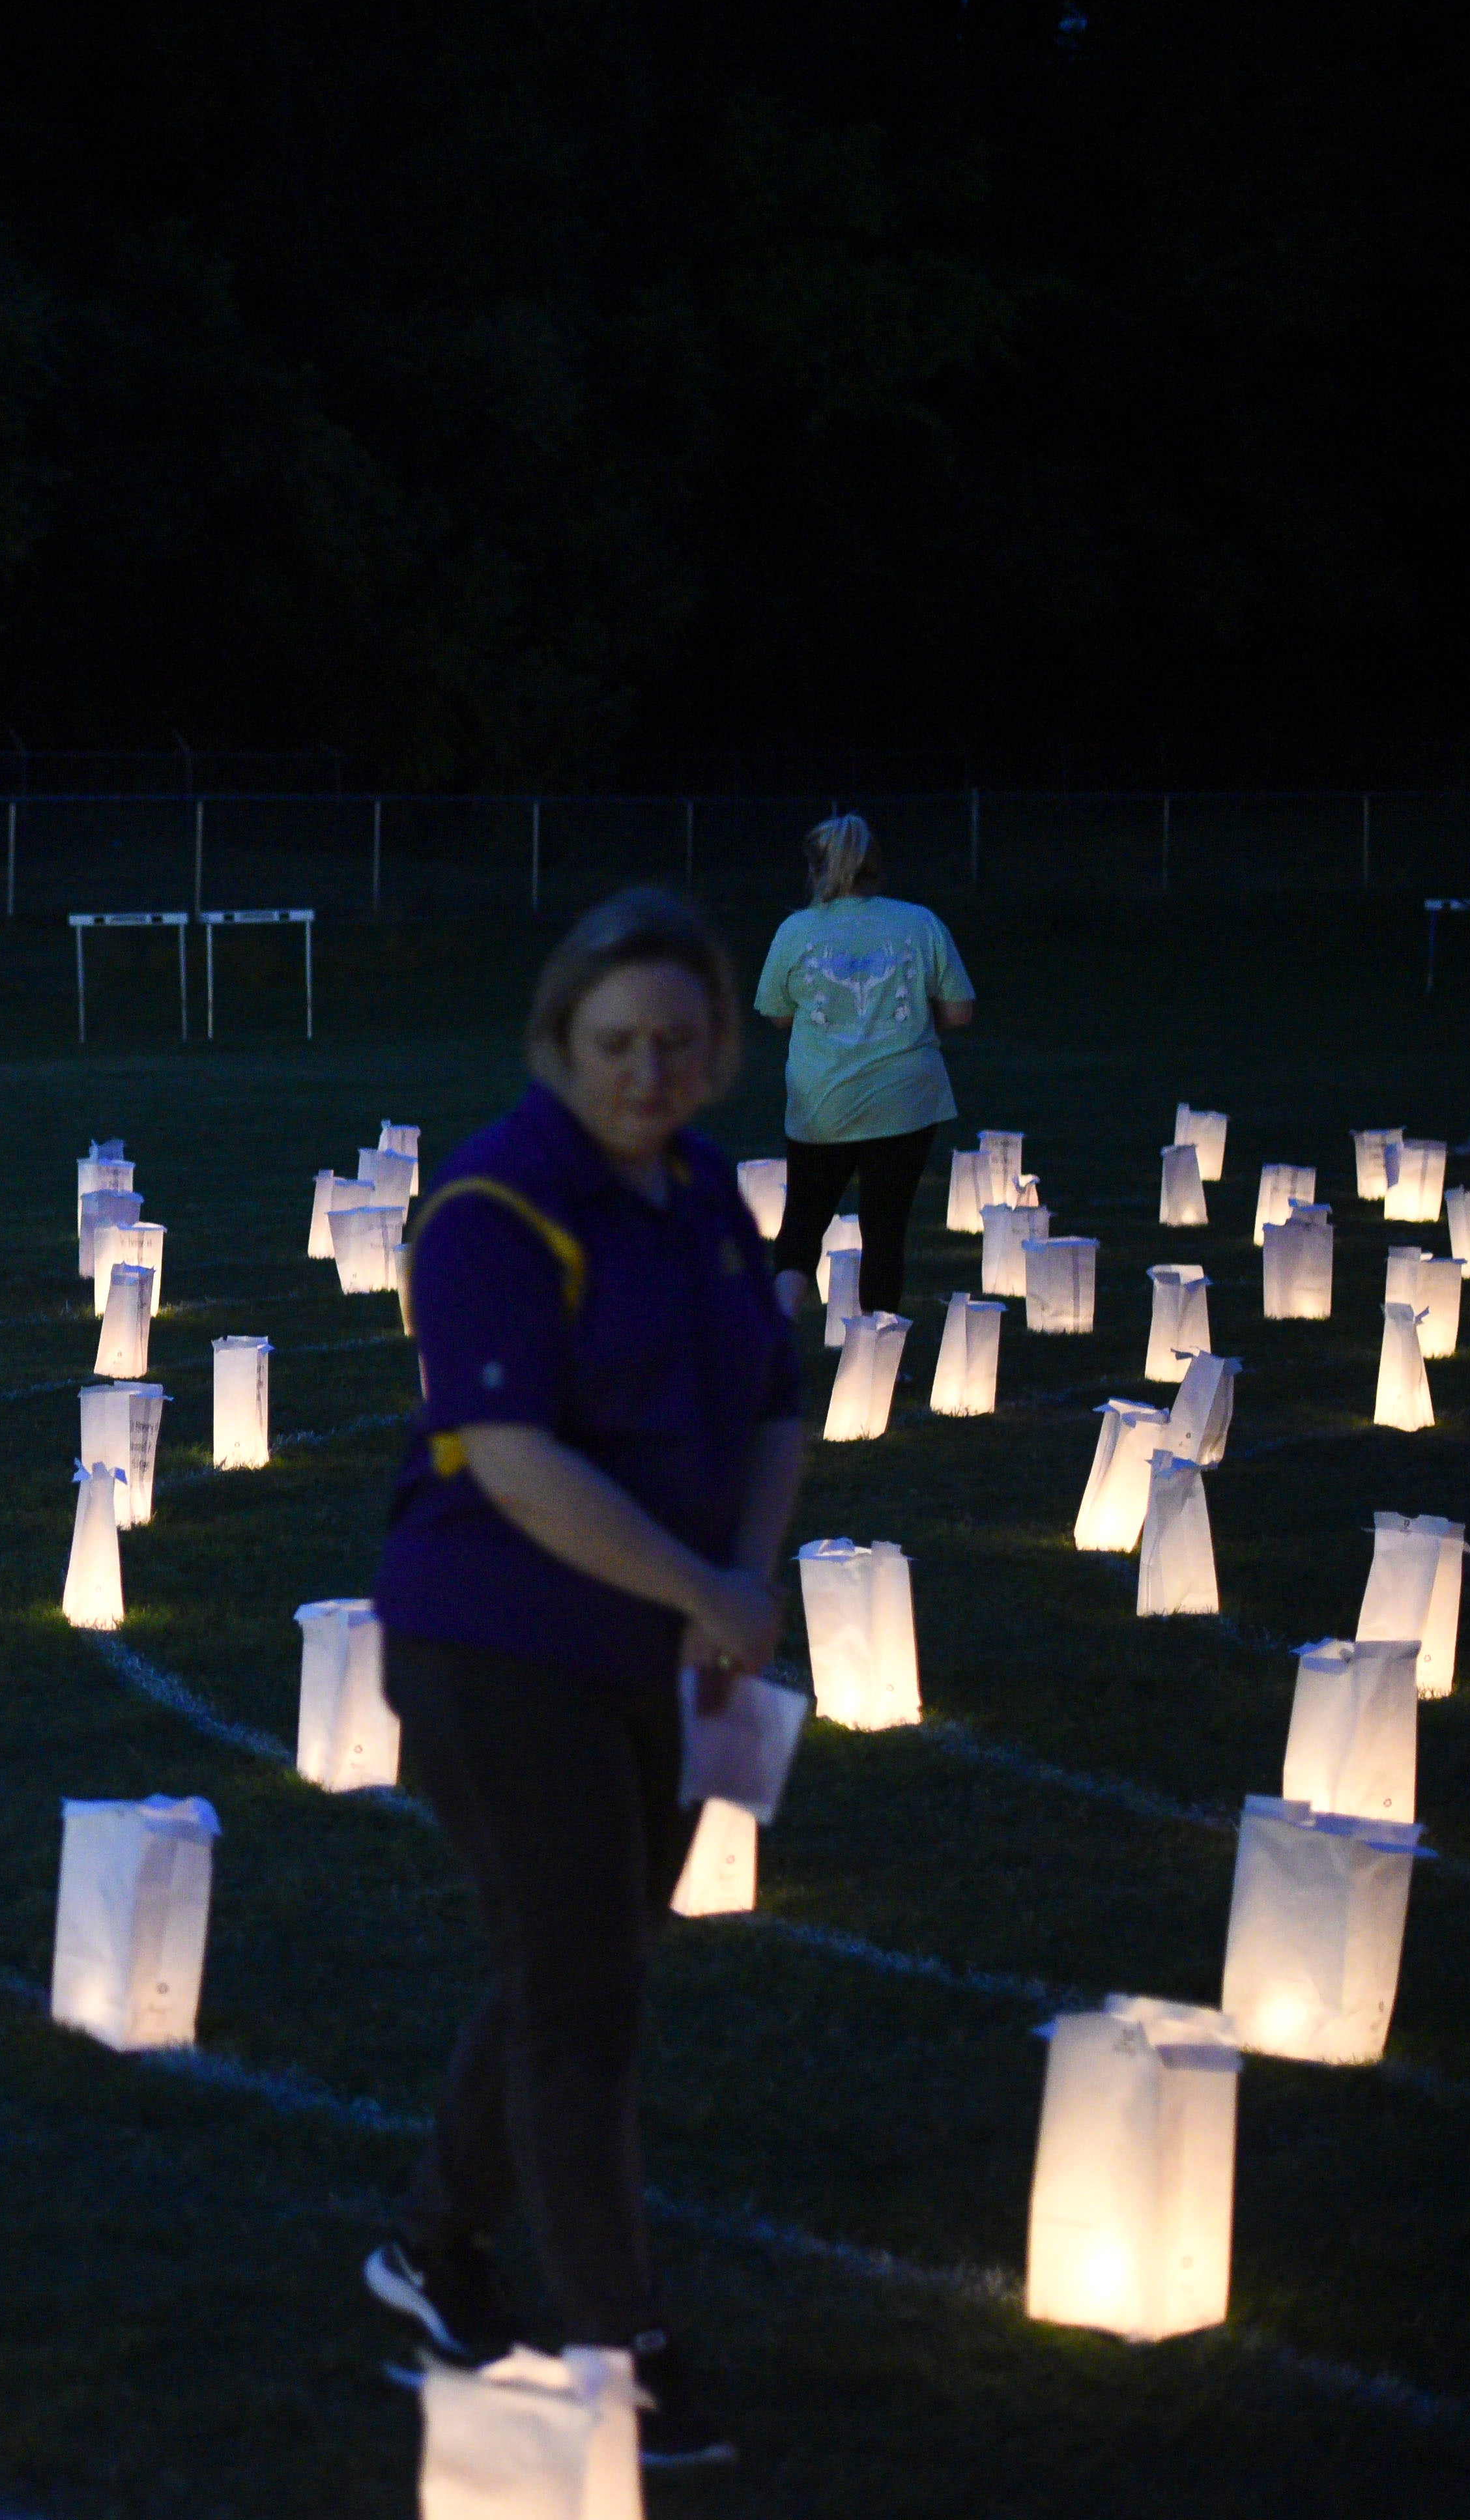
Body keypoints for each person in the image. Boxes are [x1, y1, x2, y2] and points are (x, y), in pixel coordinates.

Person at [358, 887, 805, 2467]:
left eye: (679, 1039)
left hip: (671, 1641)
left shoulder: (706, 1198)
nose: (648, 1067)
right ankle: (624, 2342)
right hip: (498, 1641)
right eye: (617, 1039)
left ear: (719, 1050)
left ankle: (427, 2242)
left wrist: (740, 1586)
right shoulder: (495, 1203)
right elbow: (517, 1460)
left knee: (584, 1954)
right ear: (558, 1041)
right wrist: (704, 1588)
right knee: (587, 1995)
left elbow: (777, 1398)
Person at [749, 814, 973, 1324]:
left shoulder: (797, 930)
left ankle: (774, 1344)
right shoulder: (920, 922)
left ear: (816, 870)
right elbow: (959, 1011)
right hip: (904, 1101)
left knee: (803, 1226)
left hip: (822, 1103)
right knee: (885, 1228)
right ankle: (877, 1360)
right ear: (877, 867)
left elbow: (777, 1013)